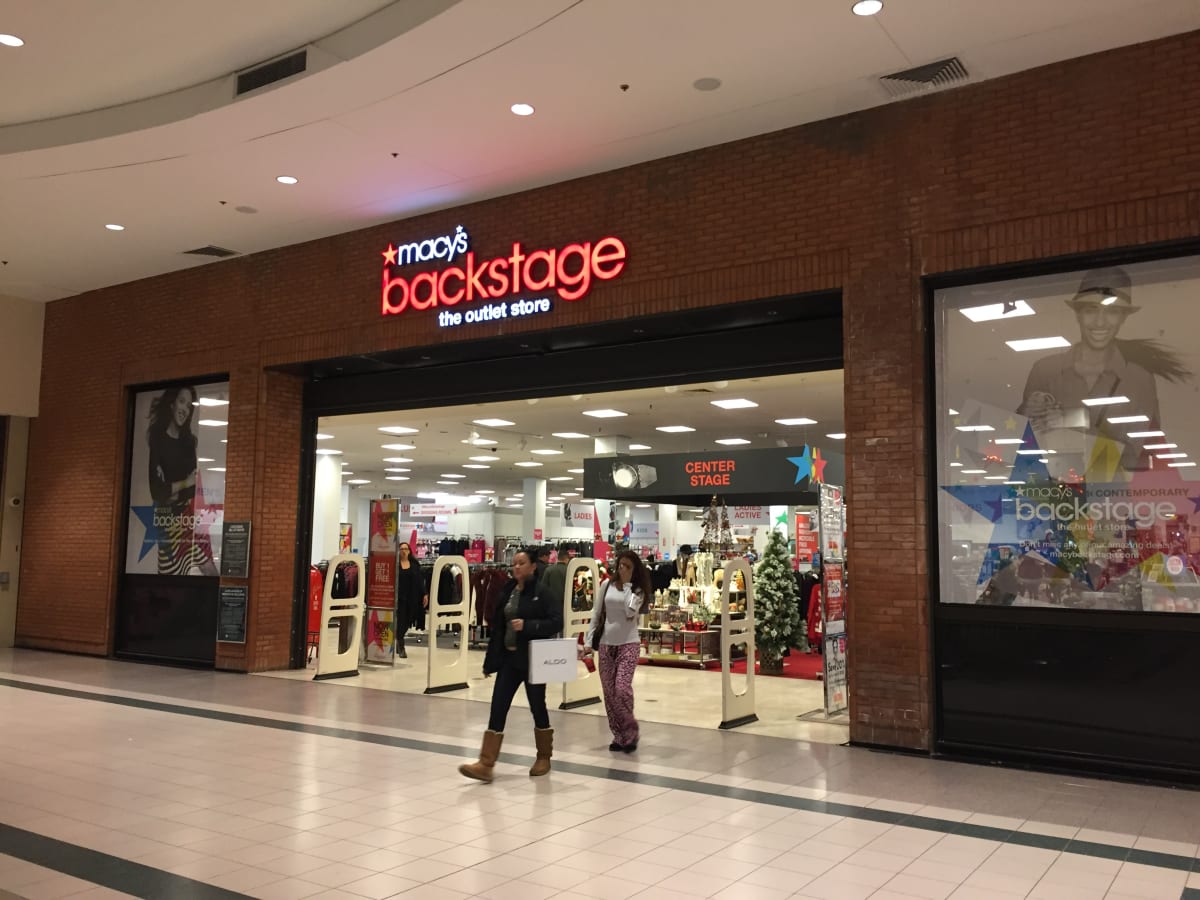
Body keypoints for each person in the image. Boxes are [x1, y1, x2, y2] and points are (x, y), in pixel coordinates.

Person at [1017, 267, 1188, 469]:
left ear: (1123, 317)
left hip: (1113, 488)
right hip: (1055, 485)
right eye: (1090, 310)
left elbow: (1139, 458)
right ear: (1078, 314)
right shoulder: (1045, 369)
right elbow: (1022, 446)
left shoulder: (1140, 379)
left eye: (1112, 311)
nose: (1100, 322)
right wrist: (1025, 412)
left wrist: (1074, 419)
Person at [459, 550, 563, 782]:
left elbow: (557, 621)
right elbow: (498, 627)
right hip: (509, 659)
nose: (516, 567)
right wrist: (490, 661)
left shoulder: (542, 592)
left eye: (522, 563)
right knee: (498, 706)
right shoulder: (507, 590)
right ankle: (486, 763)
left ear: (533, 566)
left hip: (533, 660)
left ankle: (544, 756)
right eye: (514, 563)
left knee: (537, 706)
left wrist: (528, 626)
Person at [584, 549, 651, 753]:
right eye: (620, 565)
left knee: (621, 689)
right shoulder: (607, 585)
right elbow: (596, 614)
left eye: (627, 566)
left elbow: (630, 612)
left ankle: (630, 731)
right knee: (609, 693)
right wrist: (588, 641)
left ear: (634, 569)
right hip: (606, 644)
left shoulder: (638, 591)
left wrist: (628, 584)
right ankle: (618, 735)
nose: (622, 569)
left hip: (628, 644)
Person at [147, 385, 217, 576]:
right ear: (172, 404)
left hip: (188, 516)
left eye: (189, 405)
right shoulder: (158, 439)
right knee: (170, 573)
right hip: (167, 521)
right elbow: (157, 491)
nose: (185, 409)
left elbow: (190, 489)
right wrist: (185, 483)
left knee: (209, 568)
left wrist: (172, 490)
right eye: (182, 401)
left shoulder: (189, 442)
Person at [394, 542, 427, 658]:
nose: (403, 551)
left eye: (406, 549)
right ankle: (401, 646)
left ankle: (398, 640)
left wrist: (424, 594)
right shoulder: (395, 565)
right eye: (401, 549)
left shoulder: (414, 565)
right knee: (401, 621)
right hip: (399, 598)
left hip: (412, 597)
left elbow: (420, 581)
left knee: (408, 620)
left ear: (409, 551)